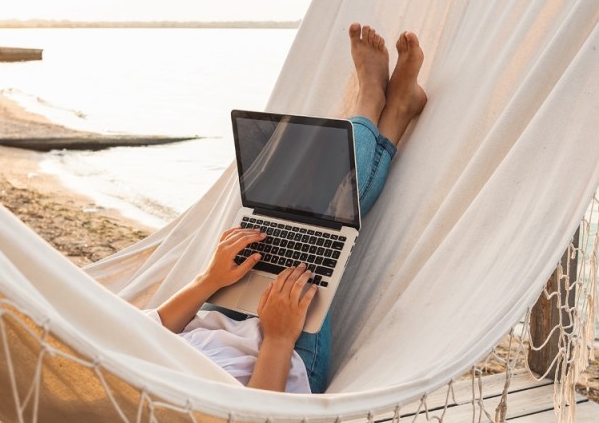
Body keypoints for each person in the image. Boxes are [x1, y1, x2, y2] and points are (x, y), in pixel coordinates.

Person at [144, 23, 427, 394]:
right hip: (282, 359)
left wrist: (209, 280)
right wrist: (278, 337)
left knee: (276, 214)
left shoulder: (101, 368)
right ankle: (374, 101)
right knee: (323, 209)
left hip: (213, 323)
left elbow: (147, 333)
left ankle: (395, 111)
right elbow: (254, 422)